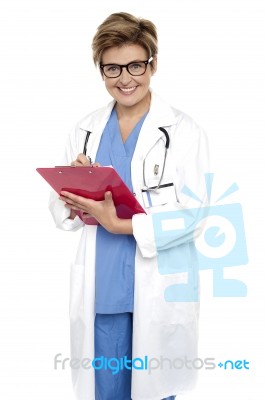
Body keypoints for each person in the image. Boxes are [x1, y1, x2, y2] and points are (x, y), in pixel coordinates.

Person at [49, 11, 209, 400]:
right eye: (112, 68)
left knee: (155, 388)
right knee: (107, 391)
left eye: (135, 65)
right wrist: (72, 193)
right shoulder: (85, 130)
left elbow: (196, 215)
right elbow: (63, 215)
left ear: (153, 65)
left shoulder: (184, 132)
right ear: (100, 70)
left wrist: (123, 225)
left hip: (159, 286)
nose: (125, 78)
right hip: (103, 287)